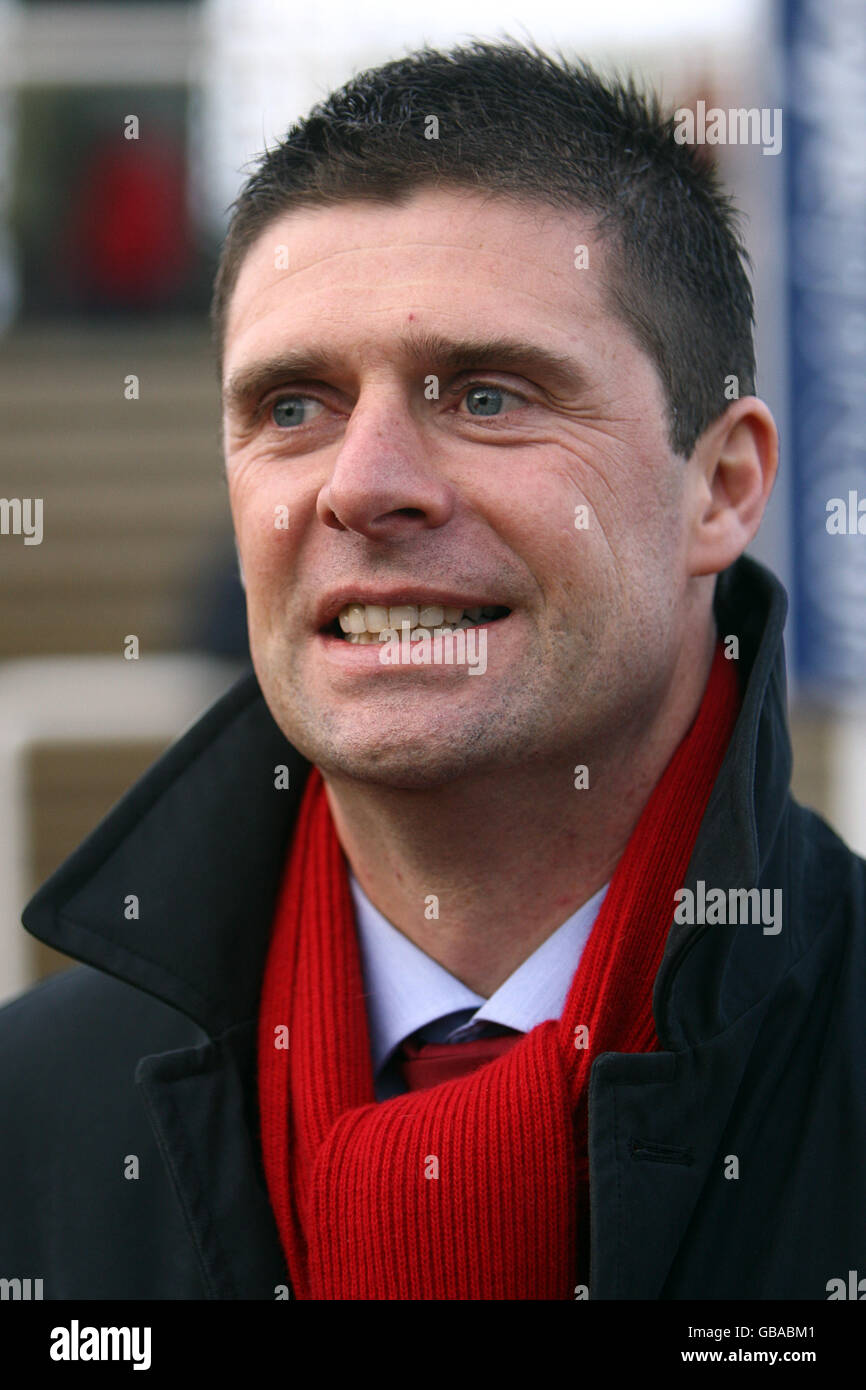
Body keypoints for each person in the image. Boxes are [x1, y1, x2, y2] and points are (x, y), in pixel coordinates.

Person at [1, 40, 864, 1303]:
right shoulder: (32, 1125)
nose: (363, 485)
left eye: (488, 394)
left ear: (718, 489)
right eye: (293, 407)